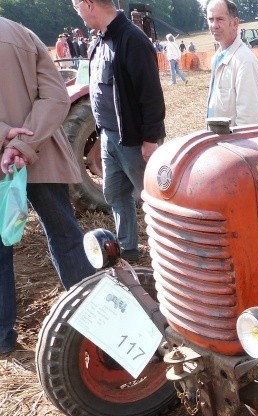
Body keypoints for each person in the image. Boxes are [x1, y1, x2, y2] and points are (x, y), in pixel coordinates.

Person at [0, 17, 95, 354]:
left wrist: (6, 138)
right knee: (66, 237)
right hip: (41, 155)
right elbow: (56, 97)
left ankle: (2, 337)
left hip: (6, 162)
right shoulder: (21, 33)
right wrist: (22, 145)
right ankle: (92, 319)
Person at [76, 0, 166, 262]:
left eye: (77, 7)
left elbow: (151, 96)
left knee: (153, 198)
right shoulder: (100, 41)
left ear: (89, 4)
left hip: (135, 140)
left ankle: (167, 252)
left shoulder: (132, 40)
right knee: (116, 194)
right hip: (108, 137)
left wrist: (150, 140)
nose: (78, 15)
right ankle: (128, 250)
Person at [206, 0, 258, 127]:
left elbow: (249, 120)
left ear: (235, 23)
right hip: (219, 141)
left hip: (232, 144)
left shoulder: (245, 62)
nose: (214, 25)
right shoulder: (217, 57)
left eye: (220, 19)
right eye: (211, 19)